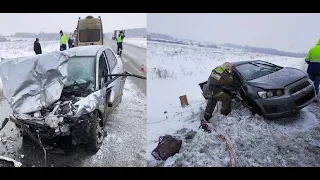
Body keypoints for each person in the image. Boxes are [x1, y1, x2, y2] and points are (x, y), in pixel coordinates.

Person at [200, 62, 235, 132]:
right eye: (229, 69)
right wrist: (230, 74)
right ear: (227, 68)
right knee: (227, 98)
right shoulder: (223, 74)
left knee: (211, 104)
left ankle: (206, 117)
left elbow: (214, 79)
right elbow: (230, 81)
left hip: (209, 90)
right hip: (216, 91)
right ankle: (224, 113)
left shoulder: (217, 69)